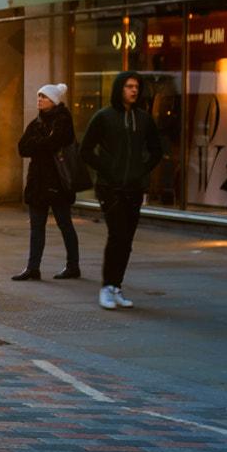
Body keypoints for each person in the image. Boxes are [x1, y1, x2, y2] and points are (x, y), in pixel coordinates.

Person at [81, 69, 164, 311]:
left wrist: (141, 170)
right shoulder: (104, 117)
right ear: (120, 89)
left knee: (126, 239)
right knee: (117, 235)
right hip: (109, 187)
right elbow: (85, 150)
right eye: (129, 86)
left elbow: (156, 150)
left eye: (136, 86)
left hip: (134, 188)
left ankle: (116, 286)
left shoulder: (144, 119)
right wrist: (107, 170)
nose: (134, 90)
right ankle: (106, 287)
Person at [15, 84, 81, 281]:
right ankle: (32, 267)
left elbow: (52, 143)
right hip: (37, 182)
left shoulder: (62, 121)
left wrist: (39, 144)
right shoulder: (37, 122)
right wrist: (43, 142)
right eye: (39, 96)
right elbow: (22, 147)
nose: (39, 100)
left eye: (44, 97)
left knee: (64, 224)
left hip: (58, 182)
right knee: (36, 226)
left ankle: (73, 265)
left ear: (54, 100)